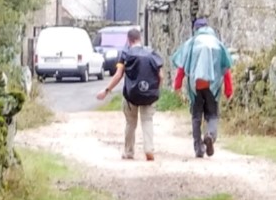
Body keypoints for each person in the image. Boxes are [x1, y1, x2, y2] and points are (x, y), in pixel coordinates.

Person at [97, 26, 166, 160]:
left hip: (131, 95)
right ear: (140, 39)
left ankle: (129, 152)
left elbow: (118, 75)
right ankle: (149, 149)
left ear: (129, 41)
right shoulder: (152, 53)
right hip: (149, 95)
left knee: (131, 122)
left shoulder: (125, 55)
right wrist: (156, 89)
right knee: (147, 120)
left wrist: (106, 91)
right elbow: (161, 75)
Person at [170, 17, 233, 158]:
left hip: (196, 85)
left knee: (196, 116)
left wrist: (177, 85)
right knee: (212, 114)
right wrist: (229, 90)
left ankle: (199, 148)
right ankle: (210, 135)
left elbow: (182, 66)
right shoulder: (217, 44)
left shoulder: (192, 43)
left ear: (196, 29)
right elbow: (226, 68)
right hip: (212, 85)